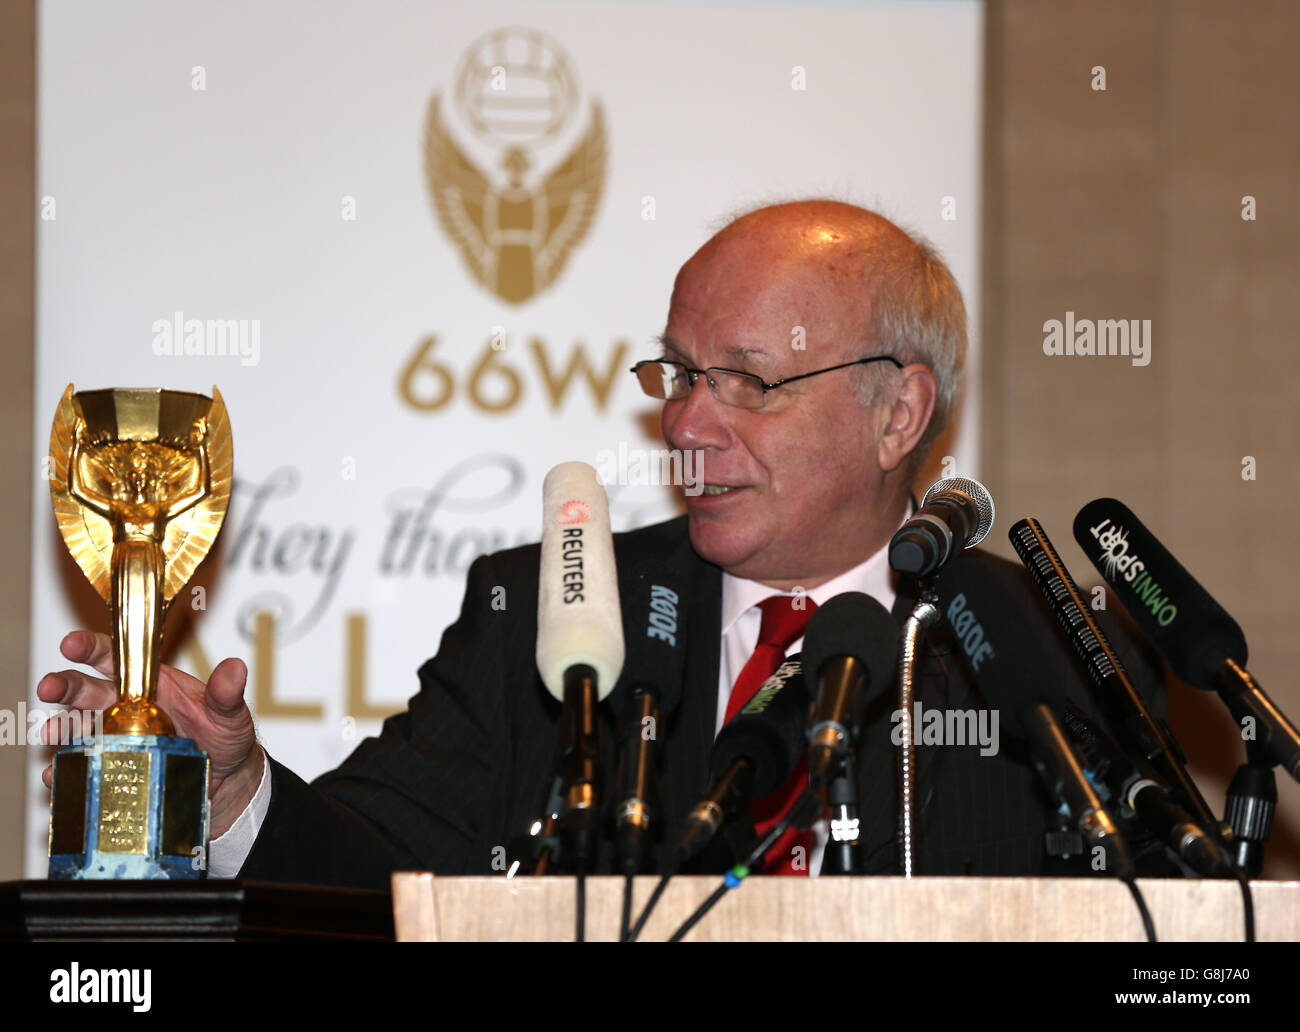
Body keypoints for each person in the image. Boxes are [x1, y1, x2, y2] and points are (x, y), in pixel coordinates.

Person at [37, 200, 1162, 888]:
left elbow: (1165, 925)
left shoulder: (1042, 652)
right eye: (679, 375)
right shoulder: (548, 611)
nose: (684, 422)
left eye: (747, 382)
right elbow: (371, 878)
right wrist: (233, 790)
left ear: (898, 416)